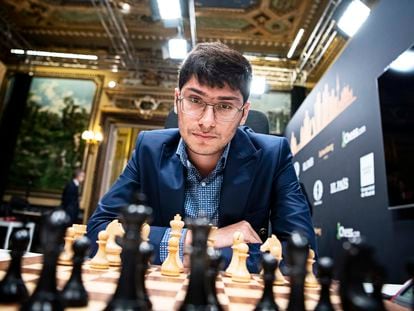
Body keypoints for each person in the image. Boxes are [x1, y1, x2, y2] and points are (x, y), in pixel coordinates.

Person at [87, 42, 316, 272]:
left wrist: (193, 256)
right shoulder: (150, 148)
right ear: (177, 101)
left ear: (244, 113)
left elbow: (300, 252)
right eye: (195, 100)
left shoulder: (273, 156)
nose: (207, 121)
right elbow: (99, 230)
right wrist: (206, 239)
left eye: (225, 106)